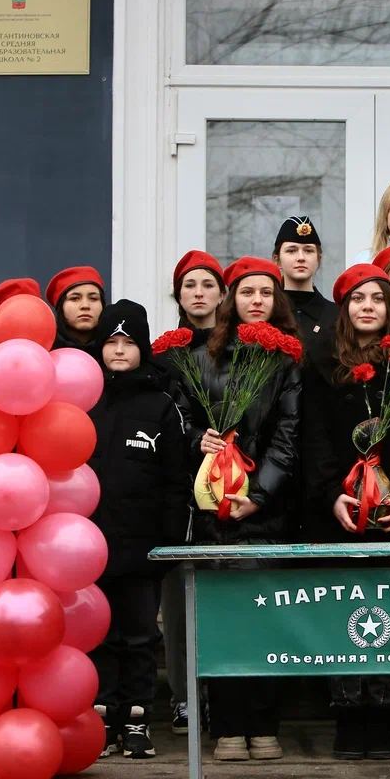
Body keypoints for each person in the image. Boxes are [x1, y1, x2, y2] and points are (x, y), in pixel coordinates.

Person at [301, 264, 390, 760]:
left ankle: (384, 712)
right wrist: (328, 493)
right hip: (339, 510)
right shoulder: (320, 366)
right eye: (358, 299)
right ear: (344, 308)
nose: (368, 307)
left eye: (377, 299)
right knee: (342, 609)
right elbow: (312, 438)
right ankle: (347, 711)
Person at [176, 256, 302, 763]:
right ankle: (228, 725)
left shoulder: (286, 361)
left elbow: (288, 435)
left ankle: (264, 722)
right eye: (247, 292)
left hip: (266, 512)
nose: (256, 301)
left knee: (268, 619)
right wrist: (195, 441)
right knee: (223, 620)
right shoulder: (202, 357)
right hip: (214, 512)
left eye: (266, 294)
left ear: (276, 302)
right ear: (232, 299)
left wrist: (260, 494)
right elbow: (181, 419)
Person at [86, 299, 190, 760]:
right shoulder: (82, 400)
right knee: (99, 634)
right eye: (112, 341)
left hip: (142, 546)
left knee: (140, 636)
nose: (120, 350)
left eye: (129, 342)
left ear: (143, 346)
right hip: (88, 546)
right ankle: (103, 716)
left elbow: (176, 479)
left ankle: (137, 721)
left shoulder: (162, 402)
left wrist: (167, 541)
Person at [160, 249, 226, 737]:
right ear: (178, 296)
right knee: (180, 596)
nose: (199, 293)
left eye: (207, 284)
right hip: (180, 489)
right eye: (190, 285)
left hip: (229, 485)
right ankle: (184, 697)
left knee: (223, 597)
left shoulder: (241, 348)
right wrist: (191, 441)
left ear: (222, 294)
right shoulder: (164, 354)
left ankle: (223, 691)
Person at [273, 215, 335, 377]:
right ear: (277, 260)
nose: (301, 257)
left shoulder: (336, 315)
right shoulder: (267, 312)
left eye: (308, 250)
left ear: (318, 259)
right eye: (291, 250)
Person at [47, 266, 106, 353]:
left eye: (93, 298)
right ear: (61, 307)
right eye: (75, 298)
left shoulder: (114, 352)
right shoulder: (46, 352)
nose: (85, 306)